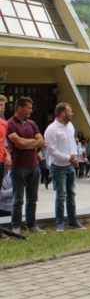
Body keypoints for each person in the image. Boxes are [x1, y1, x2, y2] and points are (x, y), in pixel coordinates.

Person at [7, 97, 46, 234]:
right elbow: (19, 143)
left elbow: (41, 141)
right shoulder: (10, 124)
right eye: (29, 108)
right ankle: (16, 226)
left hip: (34, 166)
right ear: (19, 108)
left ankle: (31, 225)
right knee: (18, 199)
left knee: (32, 199)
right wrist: (33, 143)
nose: (31, 110)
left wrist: (27, 143)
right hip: (19, 167)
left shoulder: (31, 123)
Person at [44, 102, 86, 231]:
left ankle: (73, 221)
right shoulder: (52, 129)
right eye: (70, 111)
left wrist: (74, 158)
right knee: (61, 195)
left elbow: (72, 143)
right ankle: (60, 223)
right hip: (58, 166)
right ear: (63, 113)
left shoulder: (70, 126)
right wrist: (68, 157)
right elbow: (52, 151)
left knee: (71, 194)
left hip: (70, 166)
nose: (72, 113)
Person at [0, 95, 11, 185]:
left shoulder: (4, 123)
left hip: (1, 160)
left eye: (4, 105)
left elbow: (2, 142)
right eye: (0, 105)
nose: (2, 108)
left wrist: (7, 155)